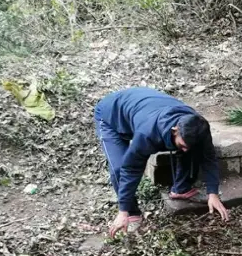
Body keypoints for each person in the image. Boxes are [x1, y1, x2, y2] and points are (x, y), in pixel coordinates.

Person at [94, 87, 229, 237]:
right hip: (110, 115)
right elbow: (131, 168)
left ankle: (181, 188)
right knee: (119, 167)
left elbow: (208, 158)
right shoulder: (147, 134)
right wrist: (123, 210)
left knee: (194, 148)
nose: (184, 150)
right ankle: (131, 213)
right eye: (182, 145)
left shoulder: (199, 126)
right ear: (174, 130)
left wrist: (213, 193)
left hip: (143, 106)